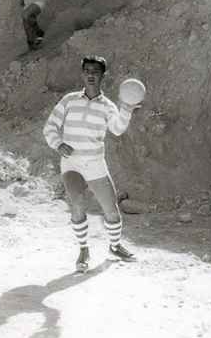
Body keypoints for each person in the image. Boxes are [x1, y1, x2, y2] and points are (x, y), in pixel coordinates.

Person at [43, 55, 140, 272]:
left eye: (95, 71)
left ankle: (115, 246)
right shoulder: (69, 100)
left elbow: (117, 129)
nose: (90, 75)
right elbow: (49, 127)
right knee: (77, 204)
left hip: (95, 163)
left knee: (112, 211)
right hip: (72, 164)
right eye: (87, 70)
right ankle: (83, 250)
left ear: (102, 75)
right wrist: (58, 144)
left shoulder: (107, 106)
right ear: (82, 74)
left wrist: (127, 109)